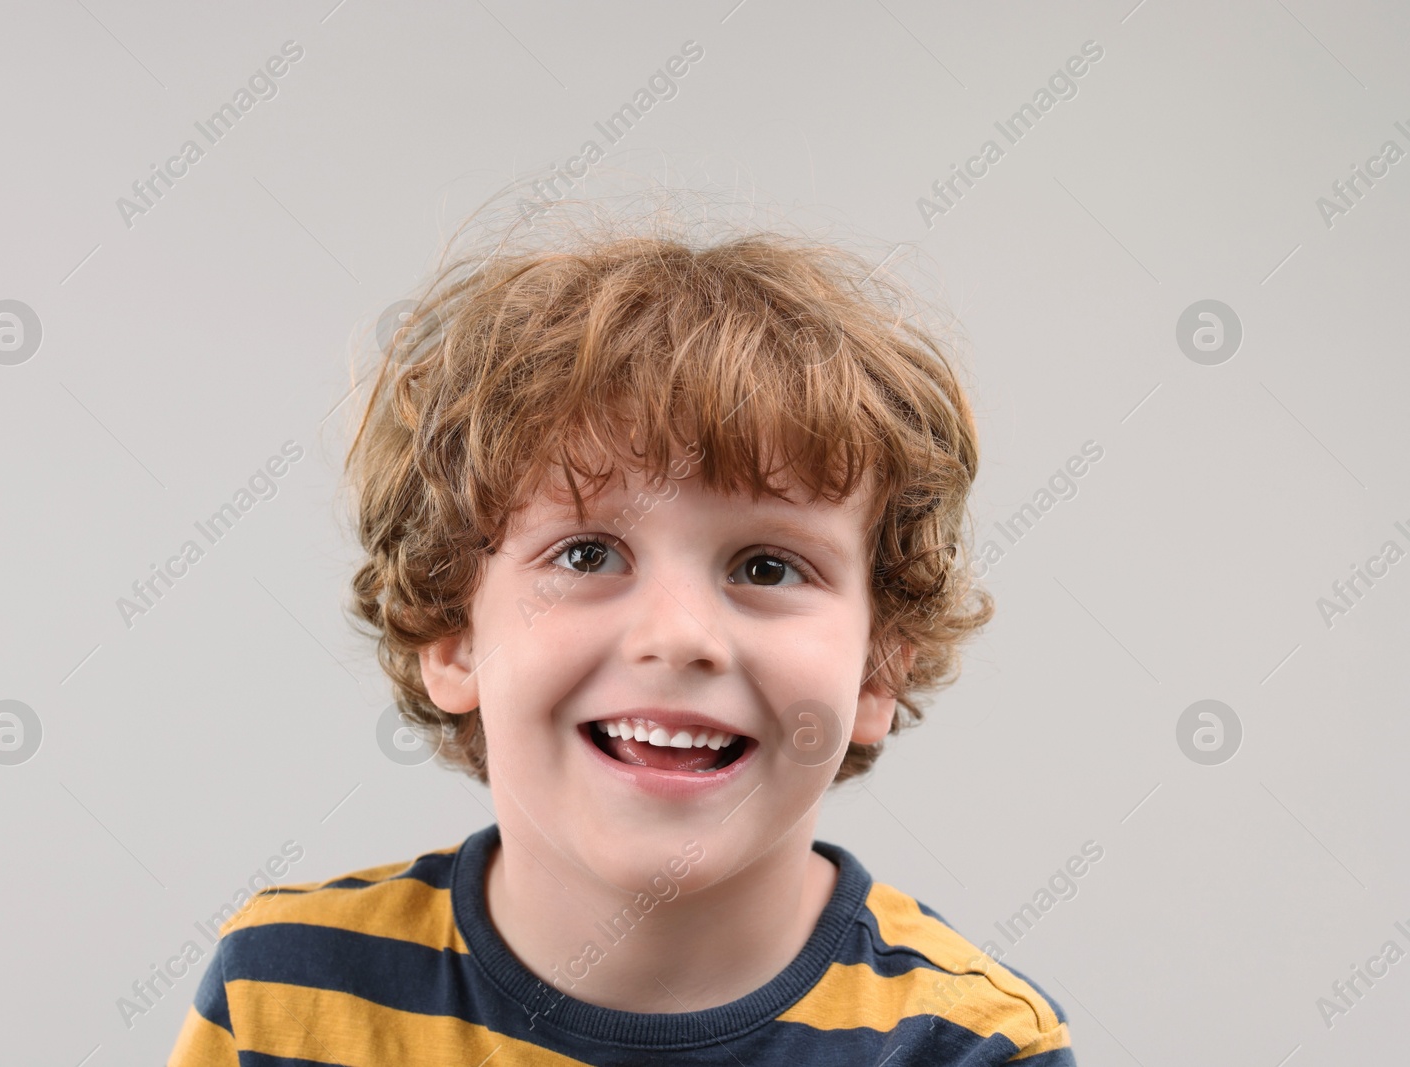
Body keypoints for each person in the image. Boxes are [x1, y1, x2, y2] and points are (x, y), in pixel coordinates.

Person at [167, 200, 1078, 1065]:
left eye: (767, 567)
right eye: (588, 555)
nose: (679, 635)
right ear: (449, 631)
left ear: (878, 667)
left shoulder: (967, 1047)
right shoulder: (283, 996)